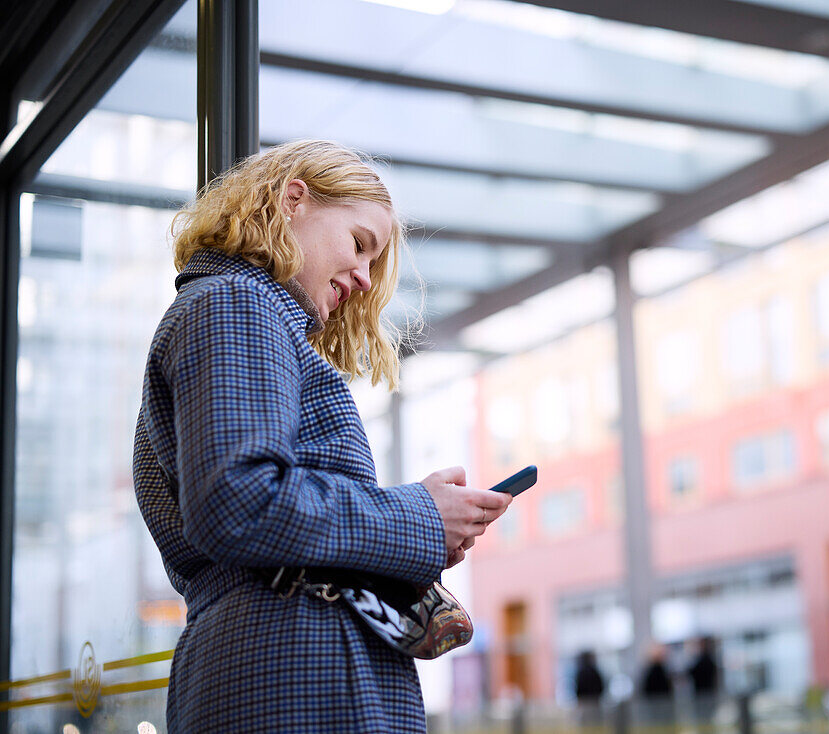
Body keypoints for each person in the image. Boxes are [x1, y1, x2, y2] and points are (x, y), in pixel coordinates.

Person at [132, 139, 512, 732]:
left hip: (271, 666)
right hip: (296, 673)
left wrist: (426, 527)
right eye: (360, 245)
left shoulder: (238, 311)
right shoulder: (235, 304)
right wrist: (417, 516)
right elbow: (237, 501)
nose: (364, 278)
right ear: (293, 201)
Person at [687, 635, 721, 725]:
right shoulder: (708, 659)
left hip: (704, 695)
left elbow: (692, 672)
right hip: (706, 694)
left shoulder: (705, 659)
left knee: (705, 720)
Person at [574, 650, 605, 727]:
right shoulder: (595, 671)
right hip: (595, 703)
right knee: (595, 724)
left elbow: (578, 689)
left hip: (585, 704)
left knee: (586, 725)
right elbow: (601, 687)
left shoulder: (581, 672)